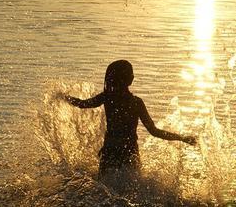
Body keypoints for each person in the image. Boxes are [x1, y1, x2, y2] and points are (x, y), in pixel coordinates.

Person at [57, 59, 196, 179]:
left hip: (110, 150)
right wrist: (182, 138)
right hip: (129, 151)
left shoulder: (107, 97)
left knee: (103, 187)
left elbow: (83, 104)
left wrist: (64, 97)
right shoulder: (136, 103)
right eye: (131, 73)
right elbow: (154, 131)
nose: (133, 76)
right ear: (129, 79)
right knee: (132, 189)